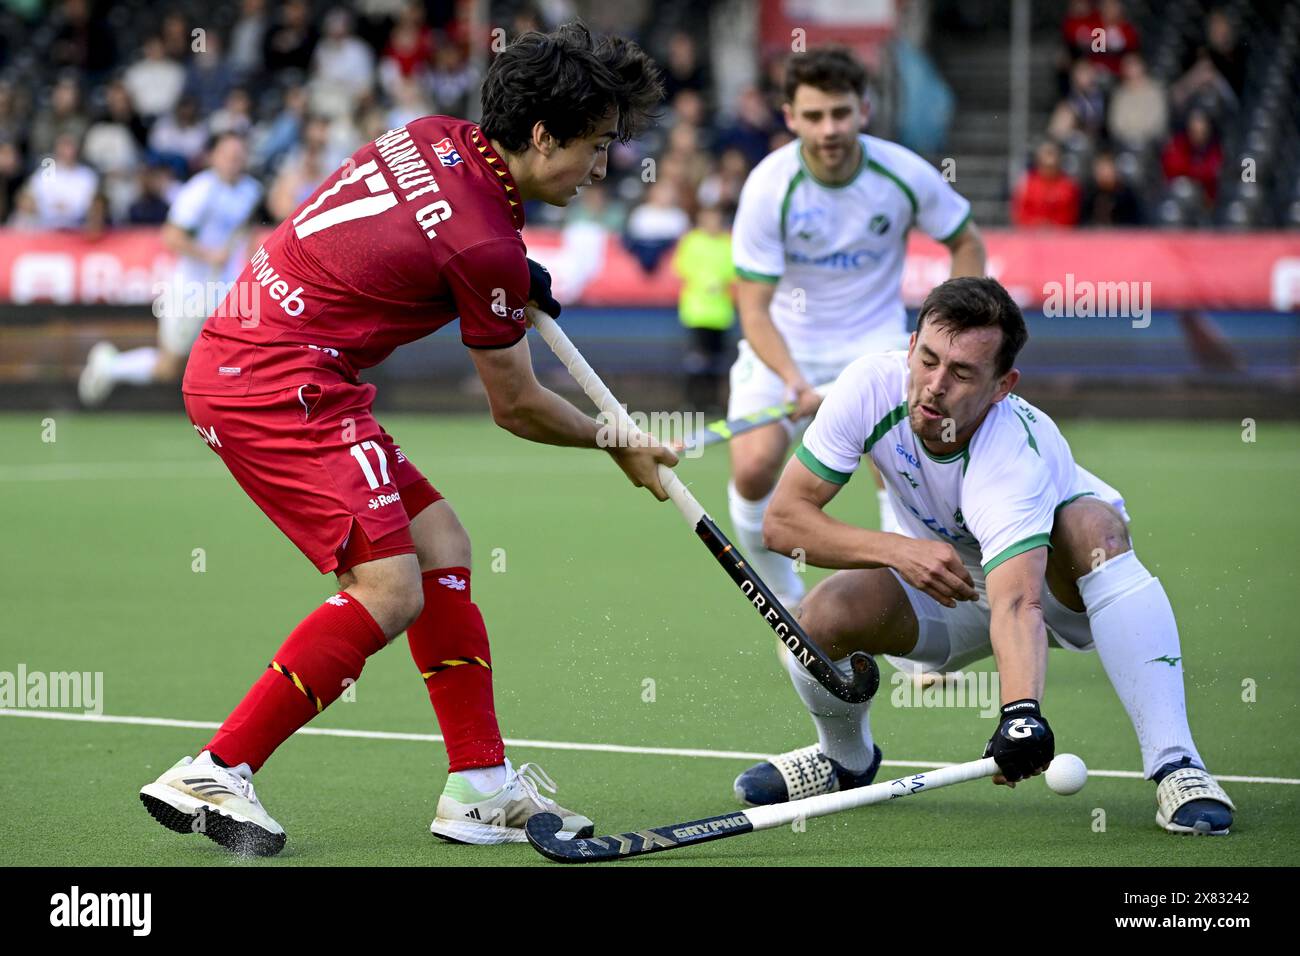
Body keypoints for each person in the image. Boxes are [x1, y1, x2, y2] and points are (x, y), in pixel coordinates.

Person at [137, 22, 676, 856]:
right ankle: (217, 767)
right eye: (599, 145)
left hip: (254, 357)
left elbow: (415, 235)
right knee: (391, 588)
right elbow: (519, 406)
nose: (604, 166)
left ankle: (479, 783)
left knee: (439, 544)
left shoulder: (433, 136)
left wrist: (507, 273)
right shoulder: (485, 244)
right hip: (279, 382)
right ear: (541, 135)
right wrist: (617, 441)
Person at [736, 276, 1235, 837]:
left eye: (962, 373)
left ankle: (1177, 765)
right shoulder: (868, 387)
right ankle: (844, 761)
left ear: (1002, 385)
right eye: (926, 360)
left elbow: (1020, 602)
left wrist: (1020, 715)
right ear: (911, 347)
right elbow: (783, 522)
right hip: (954, 587)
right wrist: (899, 551)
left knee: (1093, 525)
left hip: (1053, 580)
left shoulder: (1010, 451)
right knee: (820, 617)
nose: (933, 386)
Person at [728, 45, 984, 610]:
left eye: (841, 113)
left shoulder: (902, 172)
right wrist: (797, 382)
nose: (829, 129)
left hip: (878, 349)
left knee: (906, 478)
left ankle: (918, 635)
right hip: (785, 353)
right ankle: (789, 603)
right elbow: (753, 309)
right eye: (814, 116)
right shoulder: (769, 187)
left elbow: (965, 240)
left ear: (863, 110)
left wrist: (946, 333)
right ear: (790, 116)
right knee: (751, 470)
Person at [79, 133, 262, 405]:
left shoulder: (250, 190)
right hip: (192, 287)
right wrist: (209, 254)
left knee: (241, 354)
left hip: (228, 289)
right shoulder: (200, 191)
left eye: (238, 155)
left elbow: (245, 227)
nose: (234, 161)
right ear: (214, 157)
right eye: (228, 155)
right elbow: (171, 236)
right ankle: (110, 366)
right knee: (170, 367)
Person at [674, 203, 736, 413]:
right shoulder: (692, 241)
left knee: (718, 362)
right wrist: (707, 281)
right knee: (696, 360)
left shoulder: (728, 243)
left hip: (720, 314)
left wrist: (720, 281)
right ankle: (692, 402)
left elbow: (734, 270)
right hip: (697, 312)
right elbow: (683, 267)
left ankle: (713, 404)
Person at [1010, 139, 1081, 227]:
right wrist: (1036, 225)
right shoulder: (1026, 184)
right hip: (1030, 235)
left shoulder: (1069, 185)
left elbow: (1072, 213)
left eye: (1052, 153)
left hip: (1062, 235)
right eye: (1047, 153)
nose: (1050, 159)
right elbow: (1019, 213)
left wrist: (1054, 226)